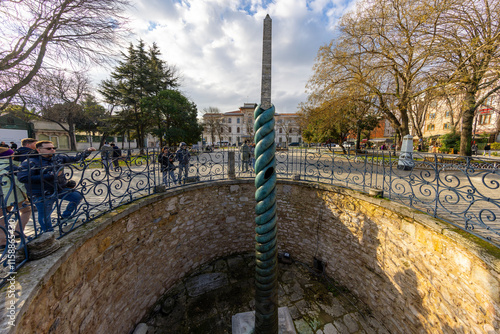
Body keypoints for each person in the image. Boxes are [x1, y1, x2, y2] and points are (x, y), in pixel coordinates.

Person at [17, 141, 96, 232]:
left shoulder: (58, 158)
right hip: (41, 193)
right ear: (39, 150)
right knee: (45, 216)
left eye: (54, 148)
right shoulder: (30, 162)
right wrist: (50, 175)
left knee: (77, 196)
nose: (52, 150)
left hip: (59, 189)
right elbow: (22, 178)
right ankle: (48, 234)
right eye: (49, 148)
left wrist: (87, 151)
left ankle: (66, 216)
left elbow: (75, 158)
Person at [0, 148, 31, 246]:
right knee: (26, 210)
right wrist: (28, 194)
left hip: (2, 194)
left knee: (2, 216)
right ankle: (6, 239)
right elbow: (19, 182)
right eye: (12, 154)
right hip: (13, 195)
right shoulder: (10, 166)